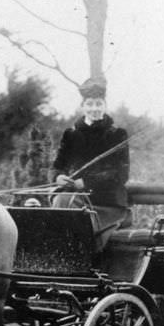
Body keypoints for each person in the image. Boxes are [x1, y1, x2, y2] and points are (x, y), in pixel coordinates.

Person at [51, 77, 130, 244]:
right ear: (83, 106)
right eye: (90, 104)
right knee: (61, 201)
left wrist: (87, 182)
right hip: (74, 197)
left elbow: (121, 174)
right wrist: (57, 177)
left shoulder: (118, 135)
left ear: (105, 106)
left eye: (99, 104)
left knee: (69, 204)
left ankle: (80, 258)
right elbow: (57, 166)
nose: (95, 109)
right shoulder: (71, 135)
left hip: (106, 203)